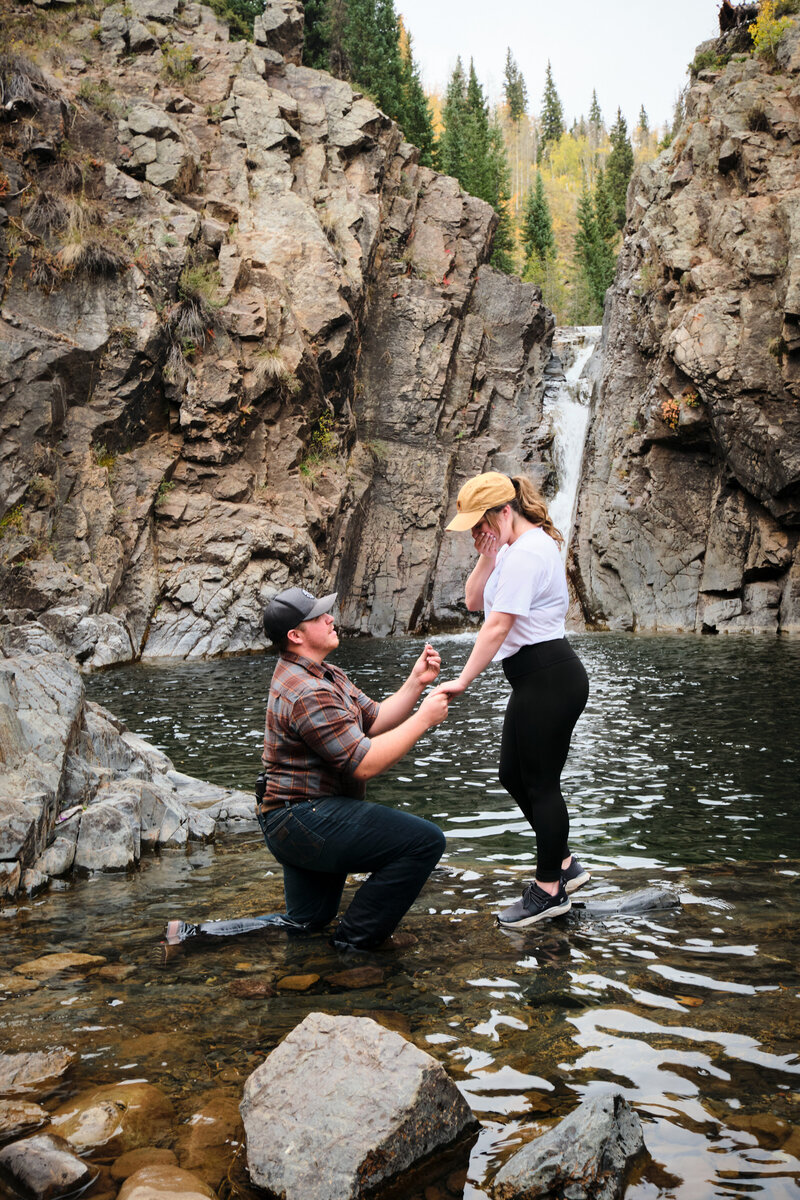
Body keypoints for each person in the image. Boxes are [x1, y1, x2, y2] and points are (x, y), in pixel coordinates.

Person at [254, 585, 449, 952]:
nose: (330, 618)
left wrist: (415, 683)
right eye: (318, 616)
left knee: (307, 921)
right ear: (296, 635)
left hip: (294, 818)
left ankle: (190, 937)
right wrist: (424, 719)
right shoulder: (307, 690)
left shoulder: (324, 674)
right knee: (424, 842)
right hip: (302, 819)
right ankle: (354, 943)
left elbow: (374, 720)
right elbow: (363, 764)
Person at [437, 472, 590, 927]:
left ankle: (549, 890)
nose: (477, 534)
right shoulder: (510, 550)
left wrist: (461, 681)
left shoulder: (529, 552)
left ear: (506, 511)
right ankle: (564, 865)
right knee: (512, 774)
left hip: (548, 677)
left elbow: (497, 626)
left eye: (481, 524)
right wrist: (487, 557)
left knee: (542, 785)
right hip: (534, 679)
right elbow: (471, 601)